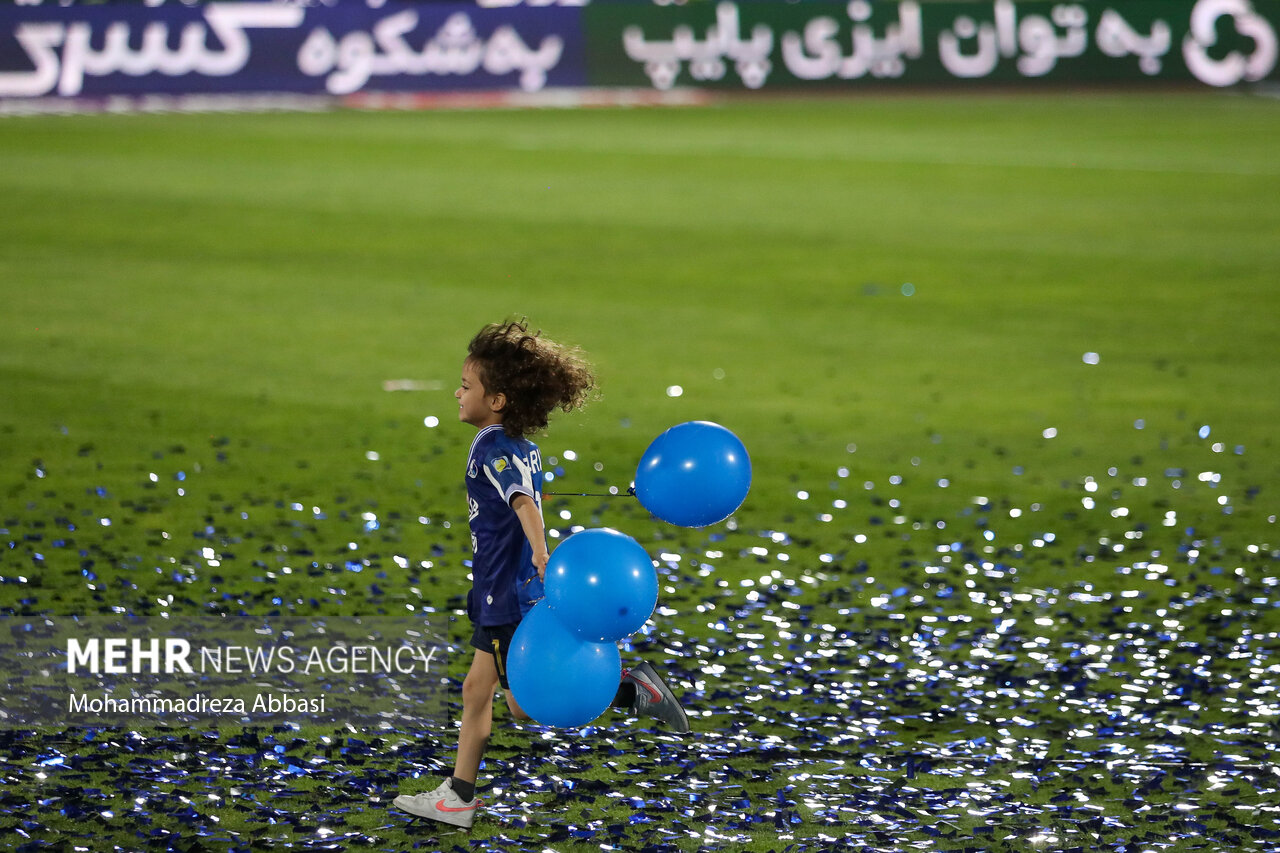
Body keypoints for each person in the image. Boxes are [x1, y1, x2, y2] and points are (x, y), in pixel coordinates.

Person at [393, 319, 688, 830]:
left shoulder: (494, 448)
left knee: (523, 703)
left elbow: (524, 502)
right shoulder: (516, 443)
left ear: (498, 400)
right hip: (501, 590)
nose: (457, 393)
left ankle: (632, 690)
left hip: (503, 595)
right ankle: (458, 795)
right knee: (477, 691)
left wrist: (540, 552)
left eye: (467, 386)